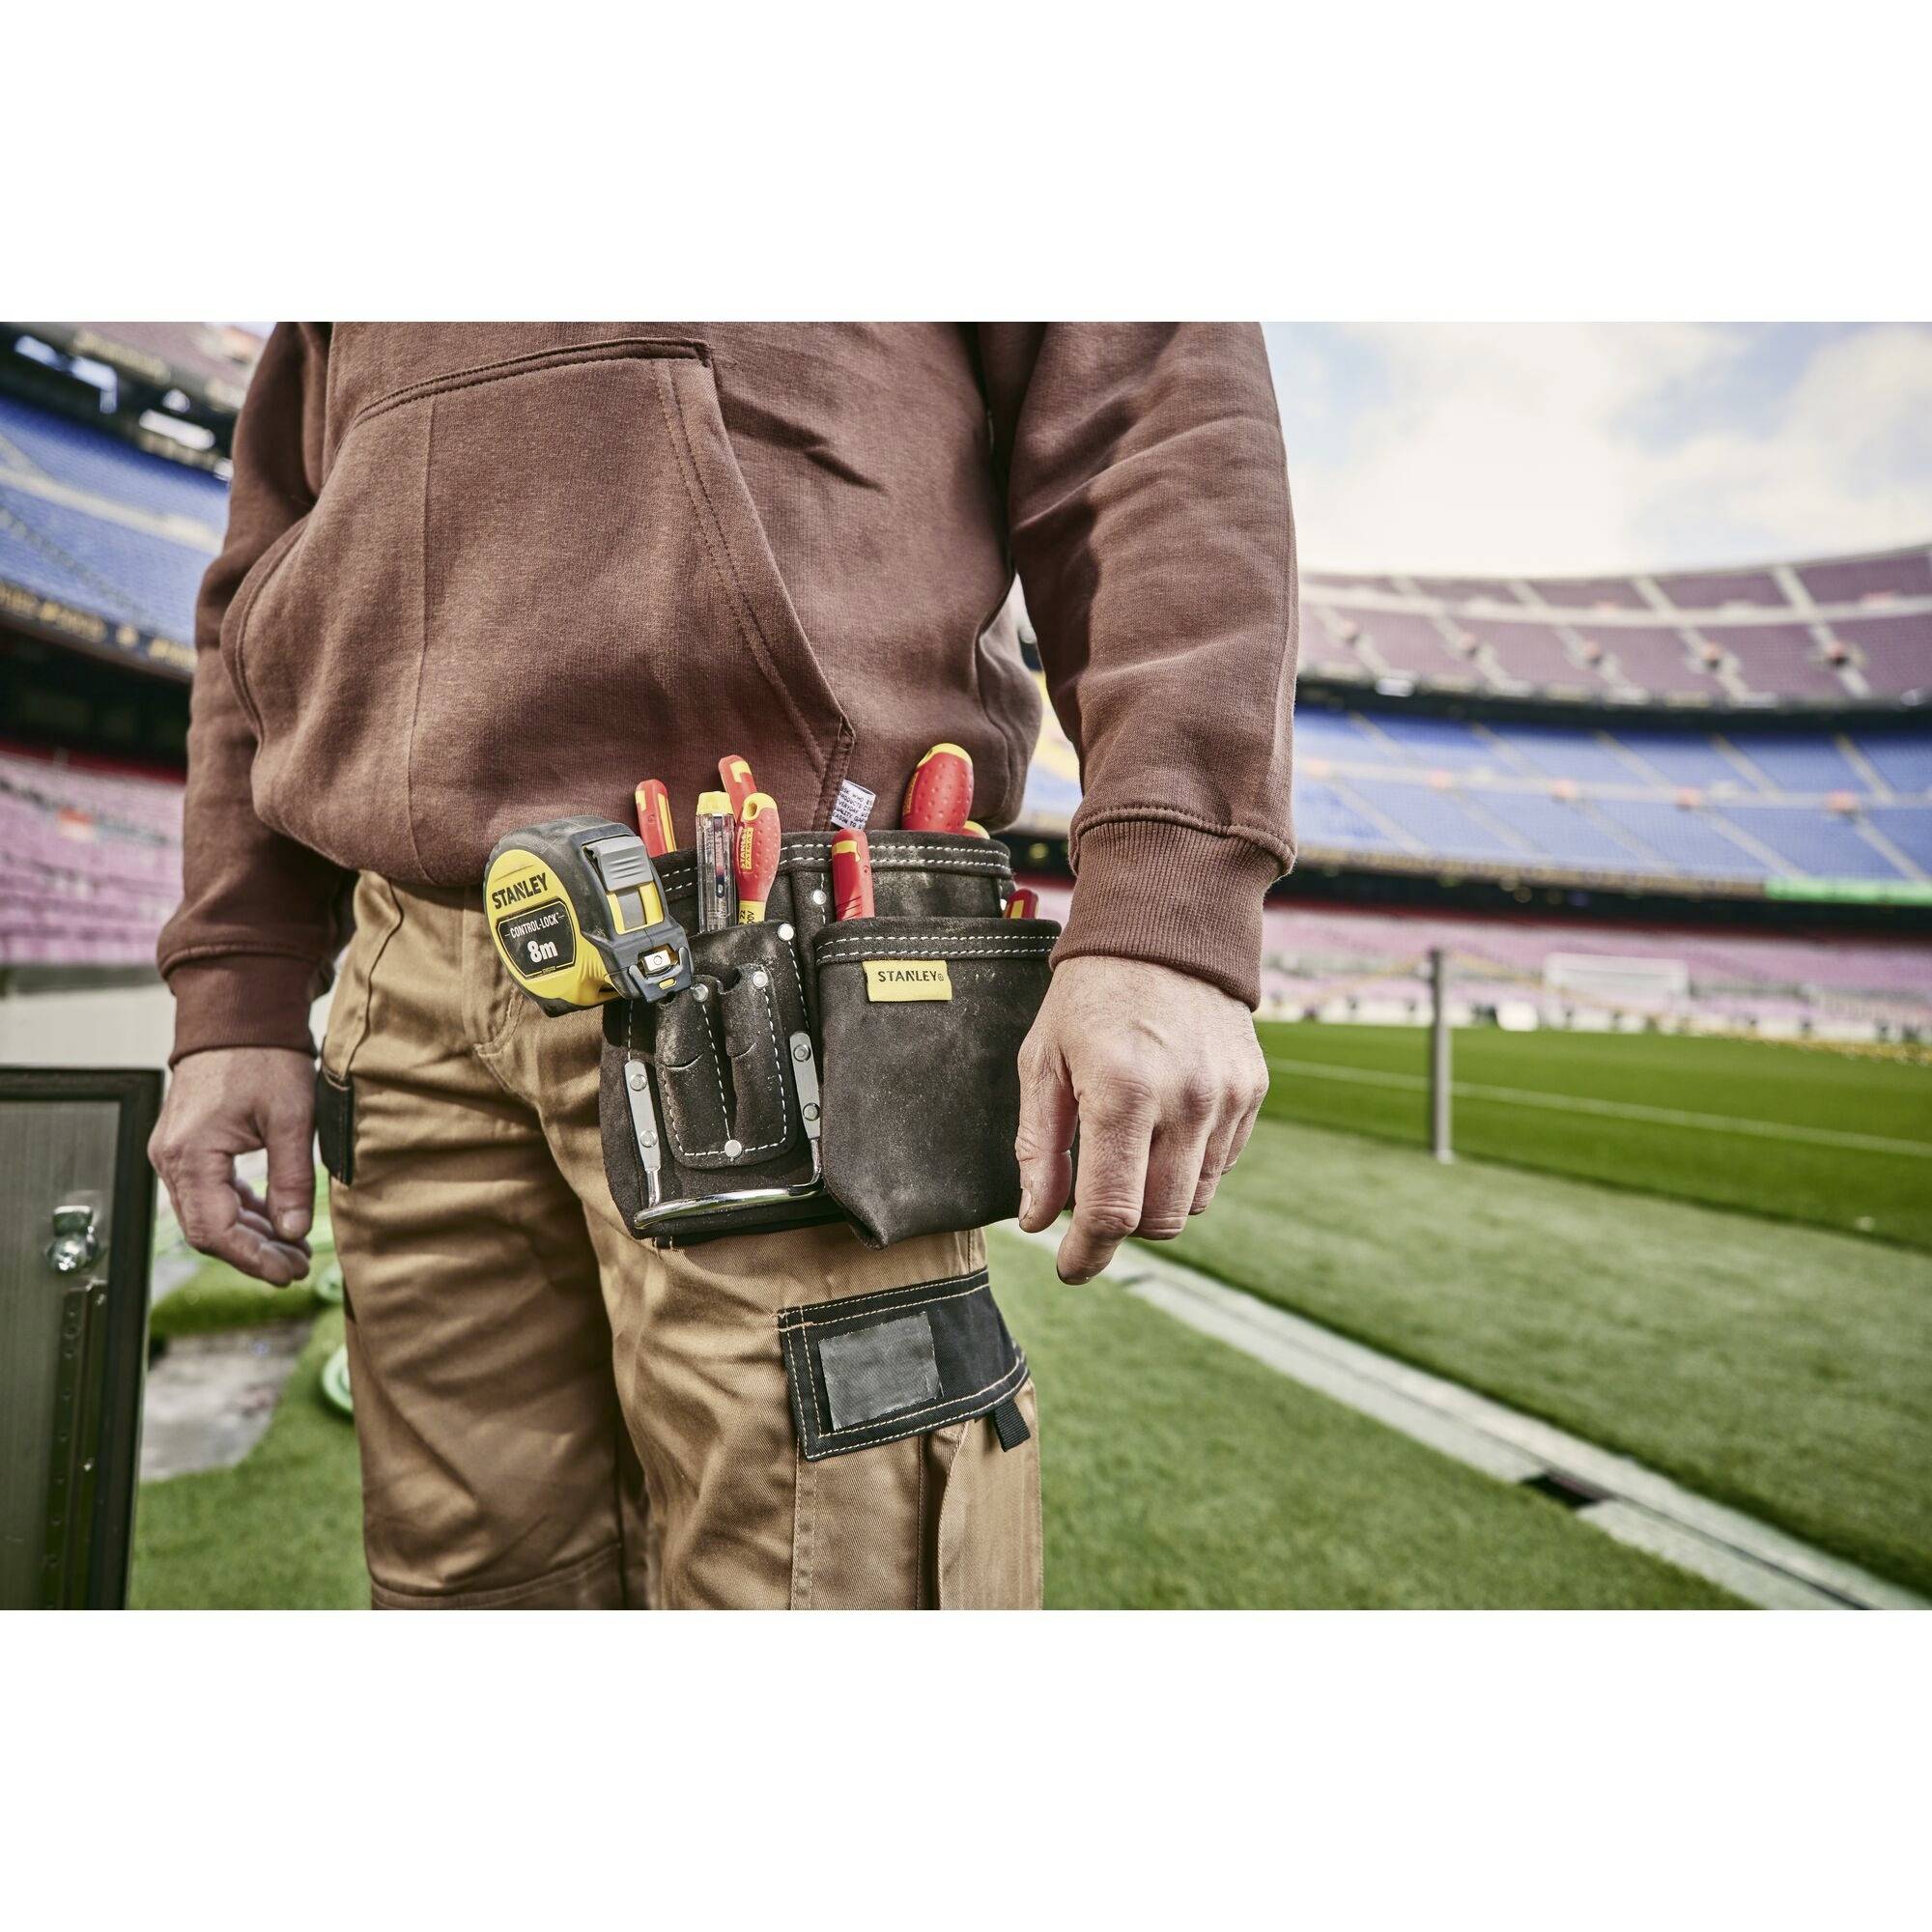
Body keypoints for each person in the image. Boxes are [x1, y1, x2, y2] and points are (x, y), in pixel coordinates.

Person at [148, 324, 1296, 1608]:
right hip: (403, 973)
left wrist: (1169, 905)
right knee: (460, 1593)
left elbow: (1152, 421)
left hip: (769, 940)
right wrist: (237, 991)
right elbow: (265, 571)